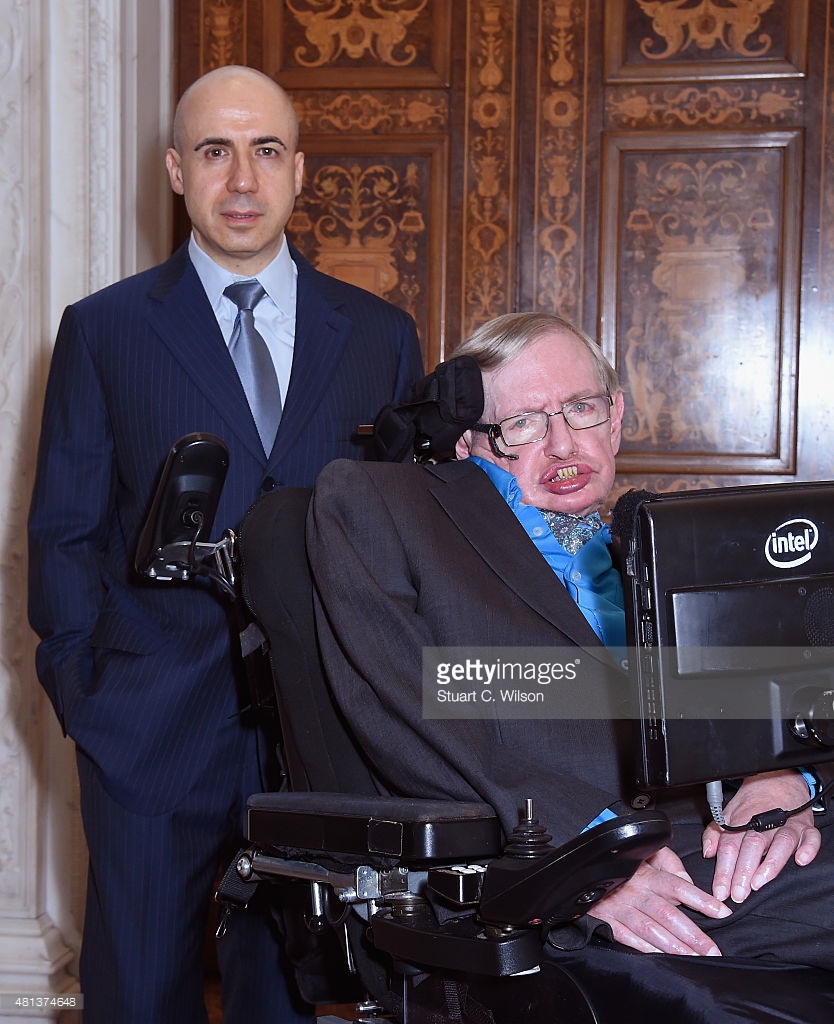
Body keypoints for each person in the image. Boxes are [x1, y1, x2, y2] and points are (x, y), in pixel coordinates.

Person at [27, 65, 423, 1024]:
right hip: (149, 725)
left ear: (299, 171)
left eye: (265, 151)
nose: (241, 180)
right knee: (137, 992)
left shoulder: (380, 336)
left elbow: (409, 528)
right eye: (214, 151)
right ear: (175, 170)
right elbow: (65, 532)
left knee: (288, 996)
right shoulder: (104, 330)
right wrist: (86, 691)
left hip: (324, 724)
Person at [306, 312, 834, 1020]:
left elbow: (769, 692)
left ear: (614, 418)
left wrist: (779, 778)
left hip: (714, 844)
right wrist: (587, 867)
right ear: (469, 442)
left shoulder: (661, 540)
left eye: (581, 409)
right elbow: (412, 710)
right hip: (541, 864)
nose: (562, 443)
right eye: (523, 423)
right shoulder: (382, 507)